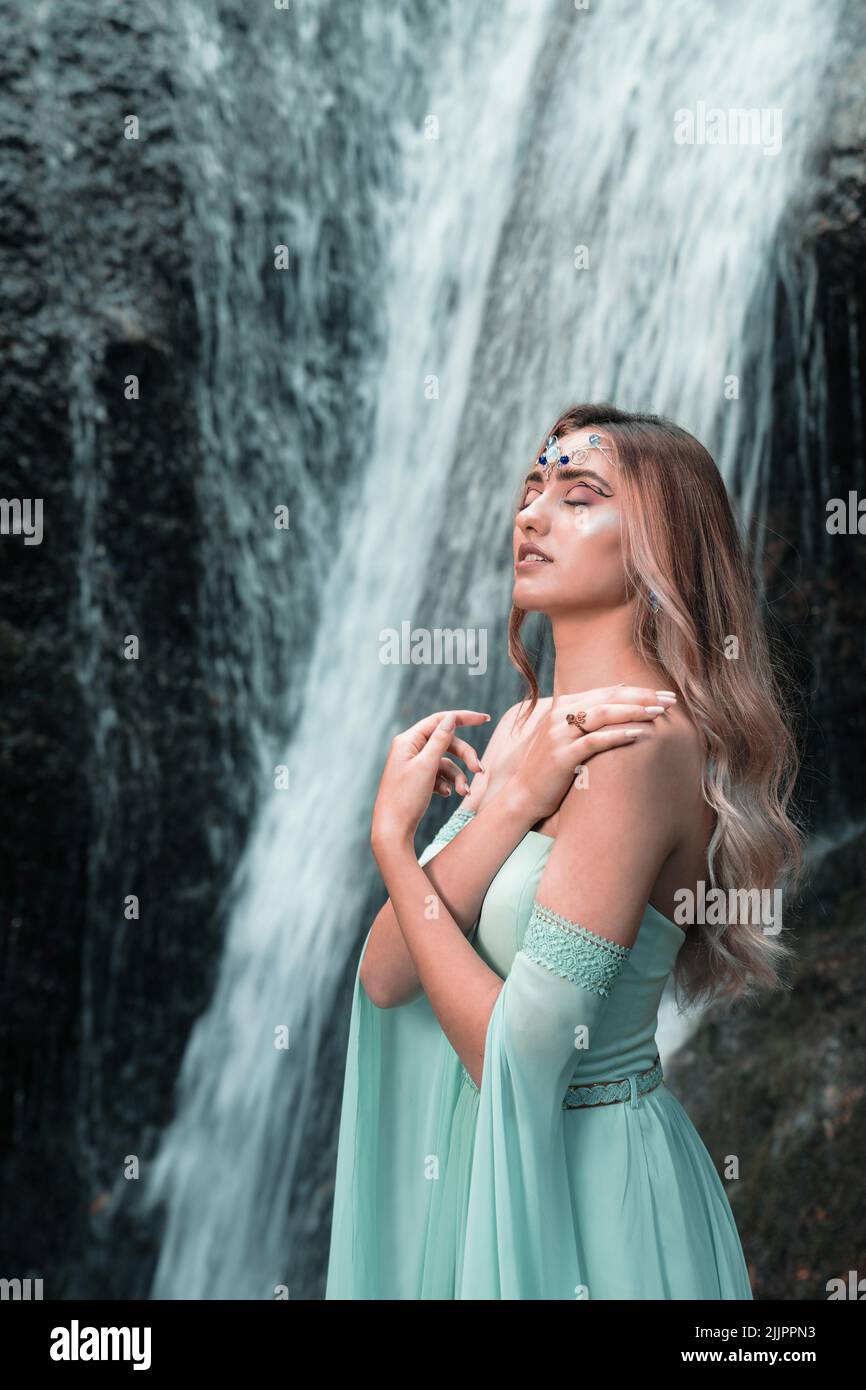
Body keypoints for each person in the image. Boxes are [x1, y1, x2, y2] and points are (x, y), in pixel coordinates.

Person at [325, 402, 802, 1299]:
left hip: (594, 1205)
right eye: (534, 485)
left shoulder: (642, 747)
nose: (532, 512)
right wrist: (505, 804)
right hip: (489, 1182)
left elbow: (523, 1061)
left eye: (580, 495)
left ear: (661, 549)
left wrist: (396, 846)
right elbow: (387, 979)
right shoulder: (523, 730)